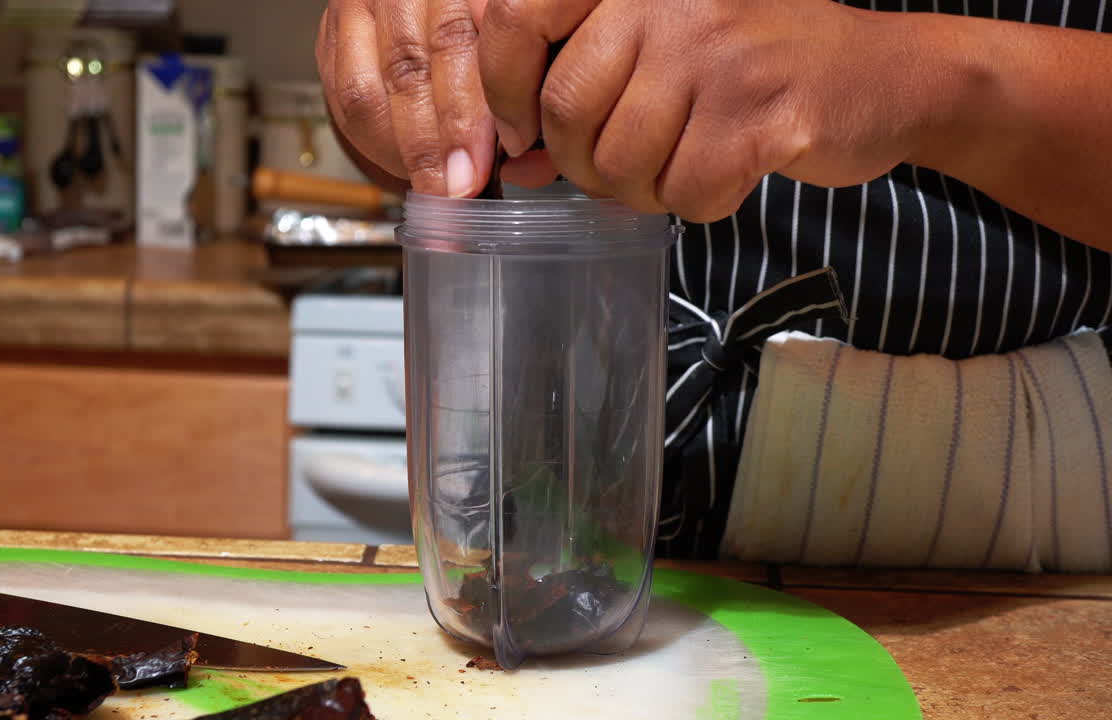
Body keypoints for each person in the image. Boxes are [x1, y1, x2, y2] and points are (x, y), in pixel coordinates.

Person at [317, 0, 1112, 570]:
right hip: (577, 535)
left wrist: (921, 77)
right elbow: (448, 127)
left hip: (1035, 553)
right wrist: (411, 73)